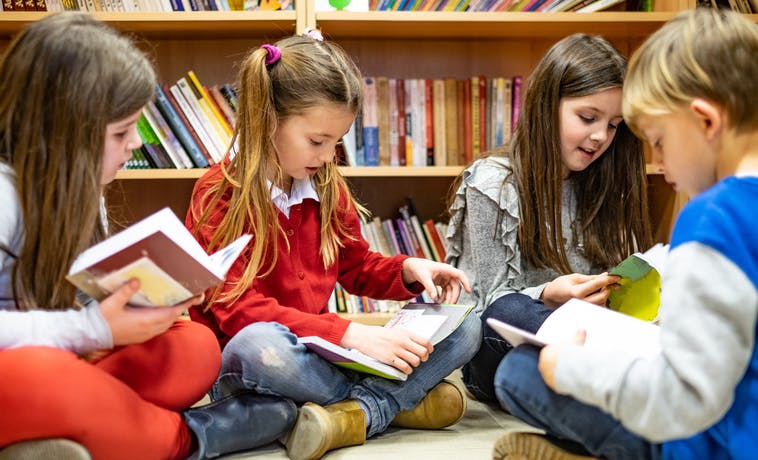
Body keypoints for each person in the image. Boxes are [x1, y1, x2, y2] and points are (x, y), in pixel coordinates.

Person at [0, 12, 296, 460]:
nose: (135, 144)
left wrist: (147, 305)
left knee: (194, 346)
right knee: (38, 376)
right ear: (60, 134)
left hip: (64, 354)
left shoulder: (79, 190)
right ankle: (191, 436)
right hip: (27, 367)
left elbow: (74, 303)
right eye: (121, 132)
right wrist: (92, 328)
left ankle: (79, 431)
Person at [185, 31, 481, 460]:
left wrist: (407, 271)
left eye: (336, 143)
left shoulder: (325, 184)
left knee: (467, 322)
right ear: (268, 119)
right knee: (258, 344)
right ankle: (393, 404)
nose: (327, 157)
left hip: (327, 357)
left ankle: (354, 411)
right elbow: (238, 312)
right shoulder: (218, 193)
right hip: (266, 357)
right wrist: (350, 334)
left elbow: (356, 267)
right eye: (317, 141)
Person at [492, 8, 758, 460]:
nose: (660, 162)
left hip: (712, 442)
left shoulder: (713, 217)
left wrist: (574, 368)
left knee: (520, 371)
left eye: (659, 140)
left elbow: (685, 398)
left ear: (706, 122)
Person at [445, 33, 652, 402]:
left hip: (588, 337)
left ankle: (595, 381)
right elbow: (492, 301)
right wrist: (549, 294)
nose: (600, 136)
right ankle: (610, 378)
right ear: (545, 106)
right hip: (500, 348)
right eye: (588, 117)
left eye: (614, 124)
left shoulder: (608, 182)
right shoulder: (493, 182)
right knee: (508, 309)